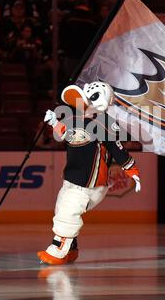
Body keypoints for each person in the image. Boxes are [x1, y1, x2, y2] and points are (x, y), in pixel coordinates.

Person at [37, 81, 141, 265]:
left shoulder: (105, 123)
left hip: (90, 183)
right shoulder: (74, 120)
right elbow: (64, 134)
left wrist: (131, 170)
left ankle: (58, 250)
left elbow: (117, 149)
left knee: (67, 213)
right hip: (71, 178)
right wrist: (54, 122)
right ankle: (71, 249)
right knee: (62, 208)